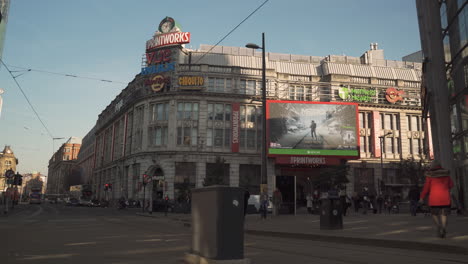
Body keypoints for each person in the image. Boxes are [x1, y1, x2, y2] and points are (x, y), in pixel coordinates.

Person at [419, 160, 454, 238]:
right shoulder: (446, 174)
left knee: (434, 214)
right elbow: (451, 185)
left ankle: (438, 226)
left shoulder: (430, 175)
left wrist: (421, 197)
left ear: (432, 166)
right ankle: (444, 227)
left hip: (434, 199)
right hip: (445, 198)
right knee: (444, 214)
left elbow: (426, 188)